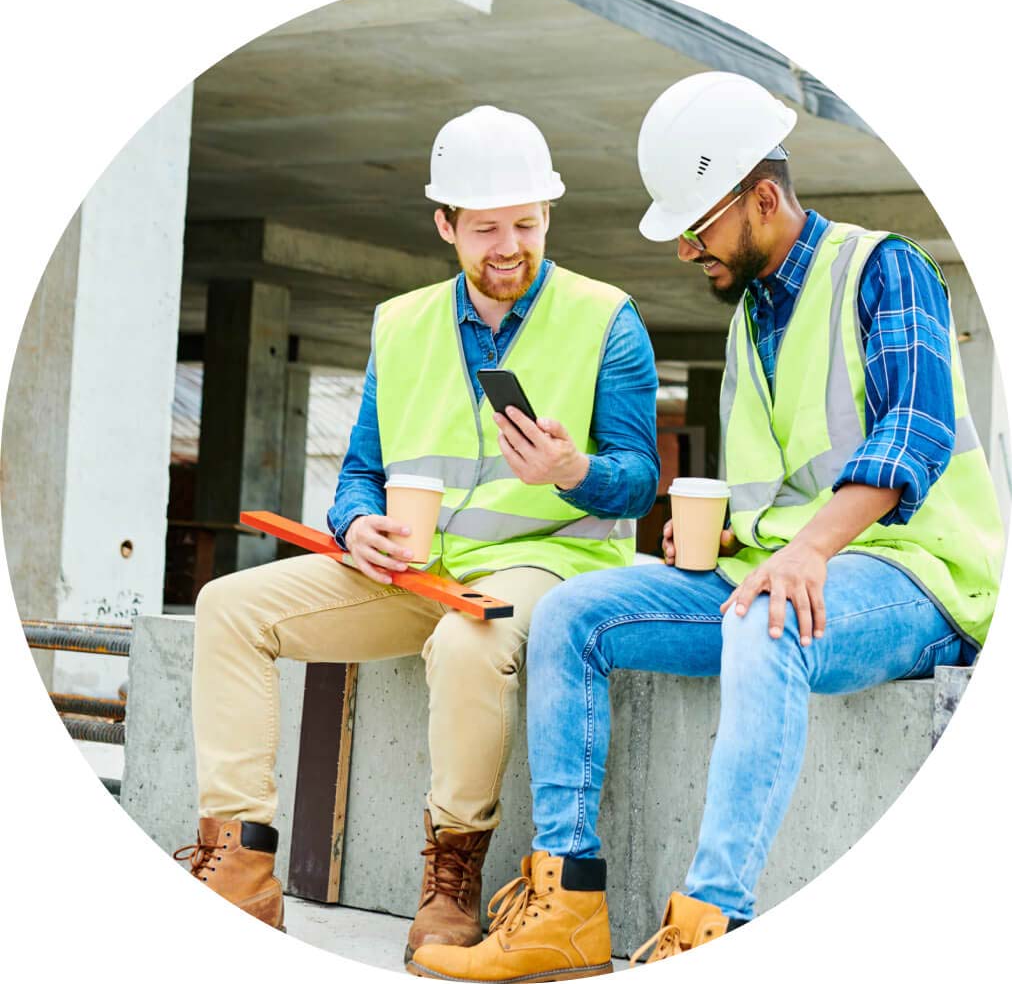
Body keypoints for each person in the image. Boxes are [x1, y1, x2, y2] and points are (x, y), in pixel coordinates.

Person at [407, 73, 1004, 982]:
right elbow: (786, 483)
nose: (687, 251)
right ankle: (566, 900)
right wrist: (732, 535)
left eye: (699, 227)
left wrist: (802, 551)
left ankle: (712, 927)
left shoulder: (884, 269)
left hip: (919, 577)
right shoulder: (751, 317)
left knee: (768, 623)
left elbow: (913, 431)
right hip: (781, 564)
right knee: (576, 615)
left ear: (764, 198)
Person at [173, 104, 660, 963]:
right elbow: (362, 466)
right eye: (485, 229)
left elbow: (639, 474)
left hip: (545, 564)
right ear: (445, 225)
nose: (508, 246)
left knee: (469, 643)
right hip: (413, 568)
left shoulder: (607, 317)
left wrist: (572, 471)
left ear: (548, 214)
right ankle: (241, 870)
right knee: (227, 606)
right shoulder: (400, 324)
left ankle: (452, 875)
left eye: (526, 223)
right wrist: (356, 521)